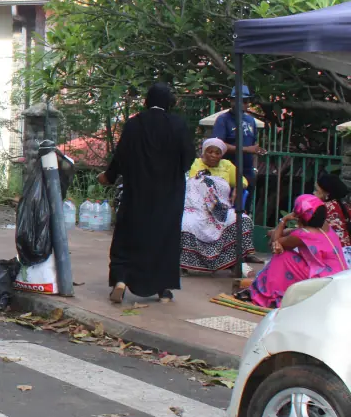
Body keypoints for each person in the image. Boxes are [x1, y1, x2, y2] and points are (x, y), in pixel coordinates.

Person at [99, 83, 193, 303]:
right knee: (163, 239)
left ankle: (121, 279)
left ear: (147, 101)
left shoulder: (134, 124)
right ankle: (163, 289)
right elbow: (188, 159)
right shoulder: (178, 125)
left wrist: (109, 177)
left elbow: (120, 157)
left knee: (128, 235)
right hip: (168, 196)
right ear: (169, 102)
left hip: (136, 194)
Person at [243, 194, 348, 308]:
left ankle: (264, 294)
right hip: (338, 275)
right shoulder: (323, 226)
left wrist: (284, 220)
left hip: (323, 279)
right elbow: (291, 232)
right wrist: (278, 231)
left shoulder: (303, 235)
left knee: (283, 256)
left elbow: (274, 242)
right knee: (288, 257)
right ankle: (263, 289)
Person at [180, 138, 254, 273]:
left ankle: (234, 262)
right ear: (203, 152)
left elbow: (242, 180)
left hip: (221, 209)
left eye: (217, 153)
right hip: (197, 208)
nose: (214, 155)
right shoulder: (193, 164)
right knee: (187, 223)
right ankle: (185, 264)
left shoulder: (227, 166)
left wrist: (238, 187)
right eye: (210, 152)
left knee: (243, 220)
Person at [212, 85, 265, 203]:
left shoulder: (251, 121)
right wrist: (246, 149)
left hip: (247, 171)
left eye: (245, 101)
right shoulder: (223, 119)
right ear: (231, 101)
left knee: (245, 208)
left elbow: (253, 144)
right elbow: (218, 145)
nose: (242, 104)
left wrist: (257, 150)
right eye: (238, 100)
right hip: (227, 171)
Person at [314, 173, 351, 262]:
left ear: (326, 193)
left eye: (316, 190)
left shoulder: (323, 208)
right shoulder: (345, 207)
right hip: (348, 252)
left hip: (335, 255)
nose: (313, 193)